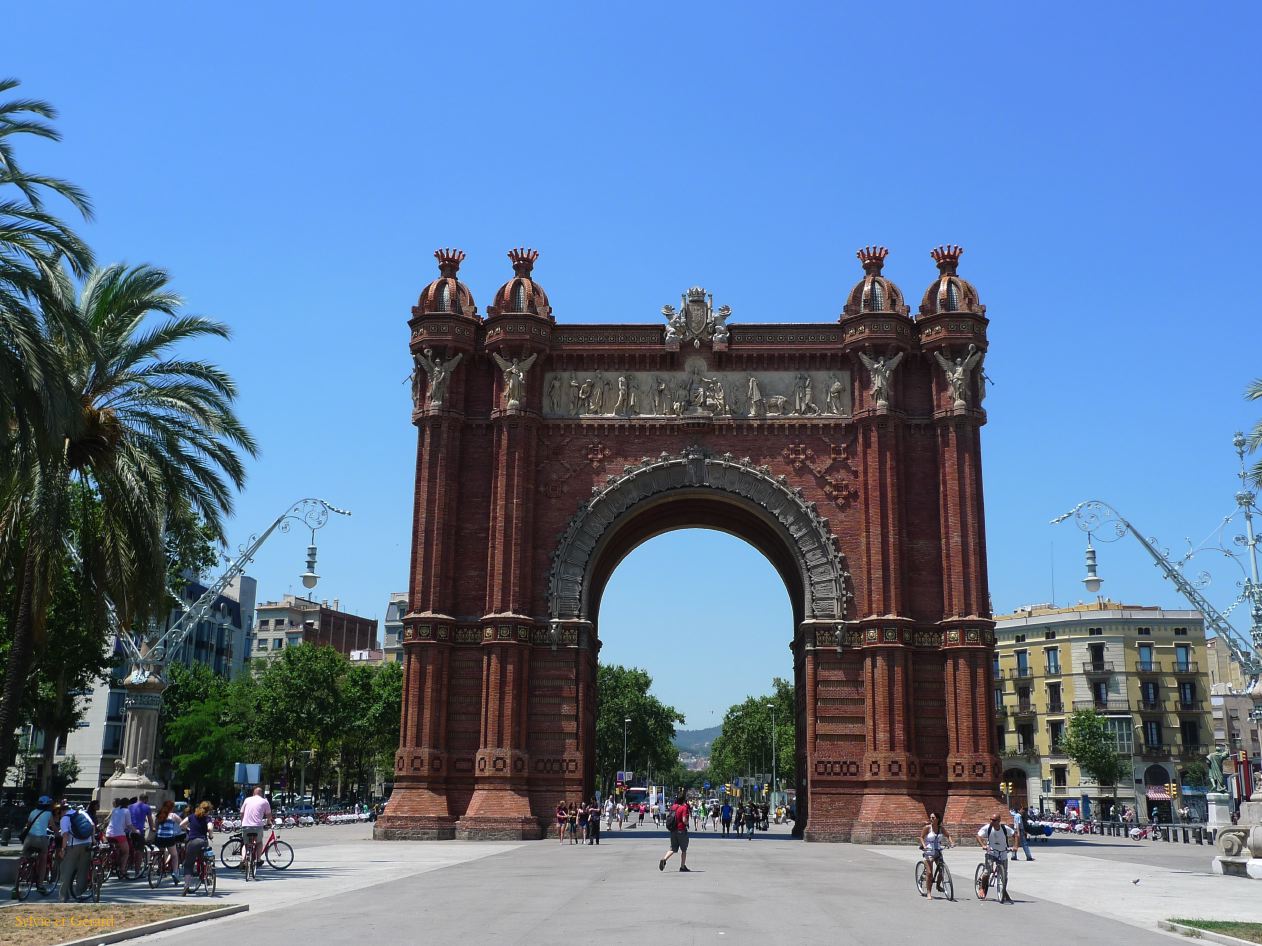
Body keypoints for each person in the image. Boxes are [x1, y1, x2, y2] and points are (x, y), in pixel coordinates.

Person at [13, 795, 55, 897]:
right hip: (41, 839)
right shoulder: (49, 814)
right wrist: (58, 835)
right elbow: (53, 827)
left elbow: (28, 824)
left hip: (29, 839)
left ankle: (16, 886)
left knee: (24, 857)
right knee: (43, 859)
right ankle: (40, 885)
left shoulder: (33, 812)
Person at [975, 813, 1016, 903]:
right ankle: (982, 887)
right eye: (991, 820)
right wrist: (983, 845)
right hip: (991, 851)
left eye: (994, 820)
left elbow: (1015, 835)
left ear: (999, 821)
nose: (991, 822)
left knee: (1004, 874)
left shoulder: (1005, 829)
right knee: (987, 871)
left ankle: (1003, 891)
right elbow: (978, 836)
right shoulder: (988, 828)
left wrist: (1015, 846)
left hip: (1003, 852)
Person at [58, 804, 93, 902]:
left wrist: (63, 849)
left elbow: (65, 835)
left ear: (62, 811)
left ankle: (63, 896)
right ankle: (80, 893)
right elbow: (92, 825)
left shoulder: (64, 819)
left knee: (66, 870)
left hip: (73, 846)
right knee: (83, 870)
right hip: (87, 844)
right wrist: (93, 840)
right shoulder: (82, 813)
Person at [180, 801, 214, 894]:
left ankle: (186, 886)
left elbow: (181, 824)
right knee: (206, 859)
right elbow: (210, 828)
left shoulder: (191, 816)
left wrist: (188, 829)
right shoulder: (207, 818)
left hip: (192, 843)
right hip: (203, 841)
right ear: (208, 810)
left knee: (188, 864)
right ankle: (207, 874)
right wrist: (211, 835)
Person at [918, 812, 954, 899]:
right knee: (929, 873)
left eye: (933, 818)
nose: (931, 819)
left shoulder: (941, 829)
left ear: (938, 819)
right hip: (929, 851)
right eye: (930, 818)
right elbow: (921, 837)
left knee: (942, 869)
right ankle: (929, 892)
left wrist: (952, 842)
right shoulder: (927, 828)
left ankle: (938, 885)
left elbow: (948, 835)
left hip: (938, 850)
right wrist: (925, 846)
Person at [659, 792, 691, 873]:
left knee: (673, 848)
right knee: (684, 850)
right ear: (684, 799)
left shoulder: (673, 807)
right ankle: (682, 866)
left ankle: (664, 859)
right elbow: (684, 820)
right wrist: (687, 823)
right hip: (681, 830)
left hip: (673, 830)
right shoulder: (684, 808)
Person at [240, 787, 272, 866]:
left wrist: (242, 822)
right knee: (259, 842)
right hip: (257, 827)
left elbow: (241, 812)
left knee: (246, 844)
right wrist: (269, 822)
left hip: (246, 825)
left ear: (253, 793)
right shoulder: (264, 801)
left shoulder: (247, 800)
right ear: (261, 794)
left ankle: (243, 859)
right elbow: (268, 814)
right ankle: (258, 859)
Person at [153, 799, 184, 880]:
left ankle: (160, 869)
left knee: (161, 852)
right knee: (174, 855)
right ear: (171, 807)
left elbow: (155, 826)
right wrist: (185, 828)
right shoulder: (173, 815)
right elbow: (182, 823)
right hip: (169, 838)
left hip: (159, 838)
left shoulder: (159, 814)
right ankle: (175, 872)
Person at [127, 793, 154, 875]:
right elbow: (150, 820)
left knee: (126, 850)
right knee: (139, 851)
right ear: (145, 799)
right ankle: (137, 872)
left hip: (128, 830)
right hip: (138, 831)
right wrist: (152, 828)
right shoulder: (147, 807)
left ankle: (123, 869)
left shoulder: (130, 806)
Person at [106, 797, 132, 878]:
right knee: (126, 852)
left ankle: (113, 862)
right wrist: (136, 831)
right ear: (127, 804)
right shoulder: (126, 811)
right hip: (119, 833)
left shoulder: (115, 810)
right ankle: (122, 870)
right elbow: (129, 824)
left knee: (116, 848)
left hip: (109, 833)